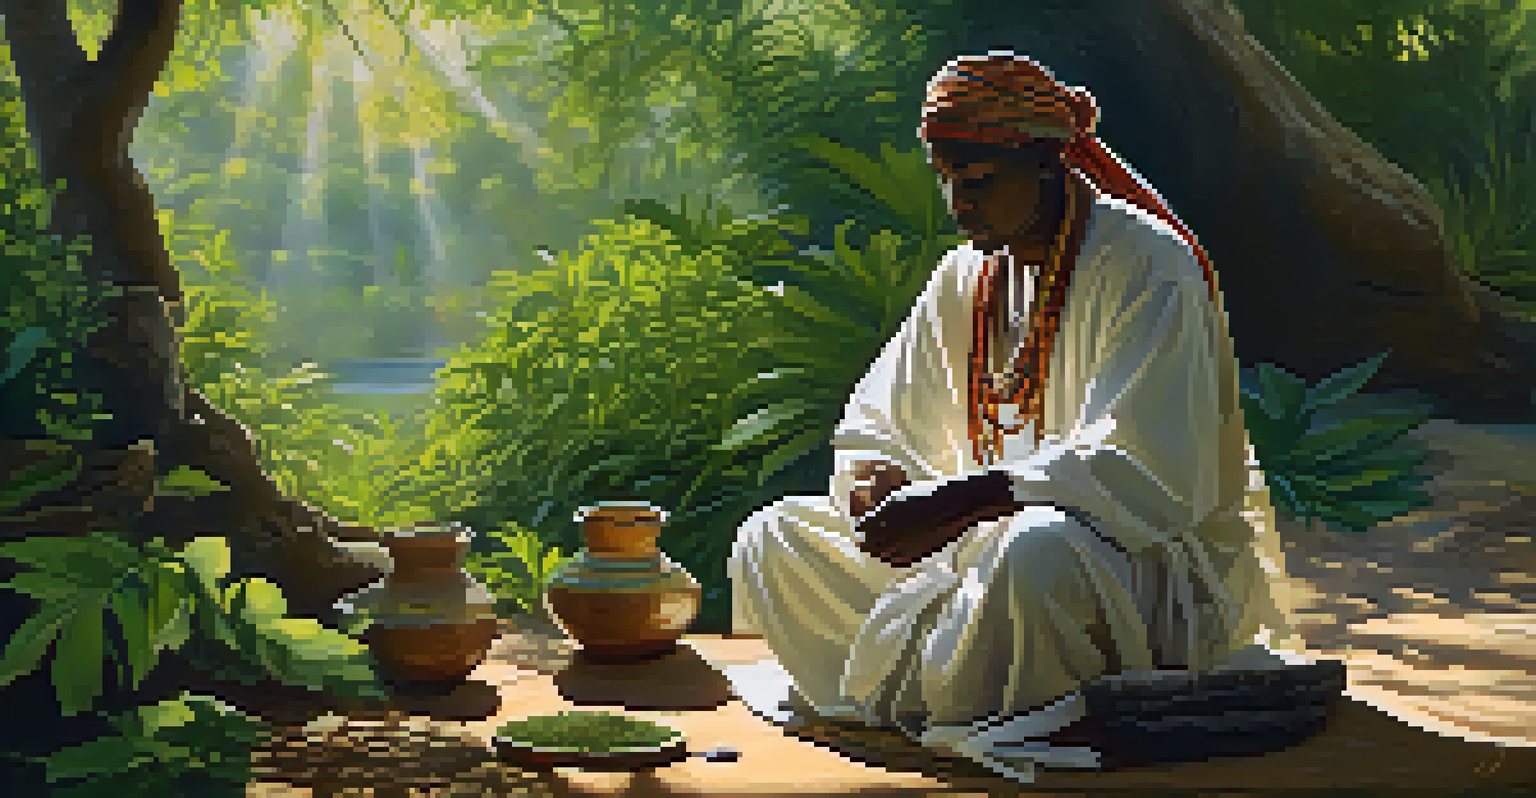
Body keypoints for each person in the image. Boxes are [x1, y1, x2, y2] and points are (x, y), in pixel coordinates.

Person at [726, 51, 1303, 782]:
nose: (959, 205)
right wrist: (875, 478)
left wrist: (972, 497)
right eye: (948, 182)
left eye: (978, 182)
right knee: (774, 538)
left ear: (1046, 163)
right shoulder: (964, 276)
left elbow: (1149, 468)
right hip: (974, 550)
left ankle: (988, 706)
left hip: (1133, 568)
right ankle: (952, 697)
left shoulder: (1149, 265)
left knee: (1034, 551)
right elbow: (883, 417)